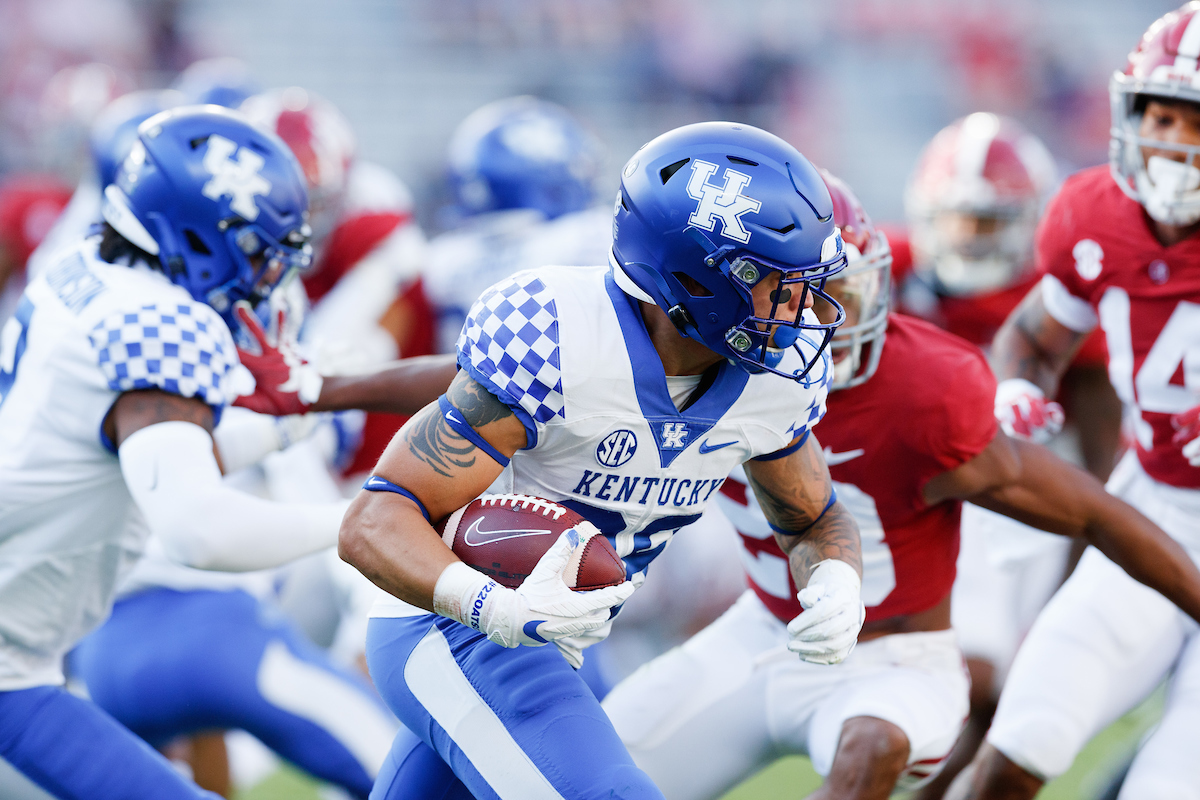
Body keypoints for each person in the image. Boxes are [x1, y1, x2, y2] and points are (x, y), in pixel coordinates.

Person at [599, 170, 1200, 800]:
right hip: (759, 630)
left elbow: (1094, 512)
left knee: (876, 745)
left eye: (835, 294)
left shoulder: (921, 390)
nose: (819, 322)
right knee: (599, 765)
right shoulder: (665, 372)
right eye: (792, 295)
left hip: (896, 662)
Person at [327, 121, 863, 800]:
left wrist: (836, 580)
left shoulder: (775, 379)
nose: (805, 310)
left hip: (553, 636)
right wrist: (489, 604)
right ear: (696, 281)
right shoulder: (557, 331)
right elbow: (374, 520)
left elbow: (813, 519)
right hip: (449, 625)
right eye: (776, 283)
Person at [0, 105, 347, 800]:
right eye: (254, 249)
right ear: (191, 231)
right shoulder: (159, 319)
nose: (264, 275)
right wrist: (357, 520)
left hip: (22, 672)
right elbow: (199, 530)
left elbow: (157, 455)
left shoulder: (84, 269)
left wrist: (288, 425)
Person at [950, 5, 1200, 798]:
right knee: (1018, 746)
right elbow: (1036, 334)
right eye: (1157, 115)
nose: (1167, 141)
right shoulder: (1096, 214)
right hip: (1156, 506)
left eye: (1192, 121)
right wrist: (1020, 381)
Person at [896, 113, 1124, 800]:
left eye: (989, 221)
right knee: (978, 680)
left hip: (1025, 510)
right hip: (917, 495)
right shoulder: (887, 271)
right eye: (959, 219)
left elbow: (1102, 465)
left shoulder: (1057, 305)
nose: (969, 238)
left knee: (1000, 693)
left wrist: (1073, 586)